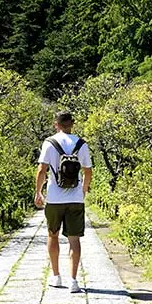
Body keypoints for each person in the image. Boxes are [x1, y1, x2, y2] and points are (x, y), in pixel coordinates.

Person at [34, 111, 92, 293]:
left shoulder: (49, 143)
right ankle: (74, 281)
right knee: (74, 239)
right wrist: (83, 189)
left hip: (54, 197)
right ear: (72, 124)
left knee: (53, 235)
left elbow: (42, 169)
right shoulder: (81, 144)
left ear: (56, 124)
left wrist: (38, 192)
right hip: (75, 198)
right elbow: (88, 171)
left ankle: (56, 276)